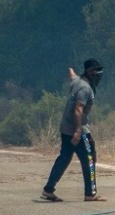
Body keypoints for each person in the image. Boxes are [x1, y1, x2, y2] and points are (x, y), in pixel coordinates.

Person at [41, 59, 105, 202]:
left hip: (65, 128)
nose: (99, 74)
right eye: (97, 71)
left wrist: (68, 68)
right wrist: (78, 131)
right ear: (89, 72)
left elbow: (72, 75)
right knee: (89, 159)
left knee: (64, 158)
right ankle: (90, 193)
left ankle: (48, 189)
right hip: (78, 130)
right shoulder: (85, 88)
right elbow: (78, 109)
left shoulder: (77, 81)